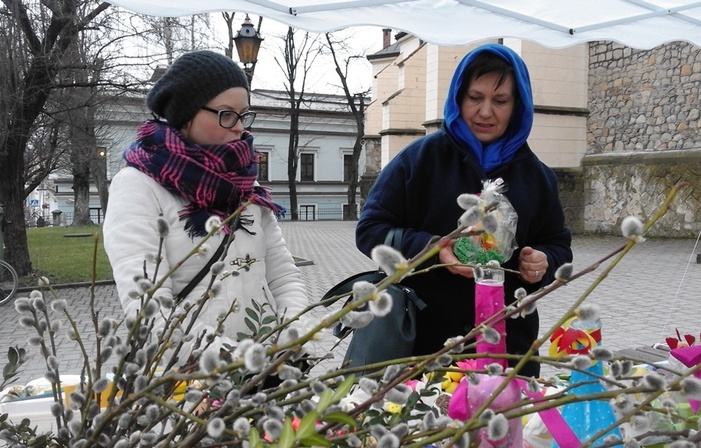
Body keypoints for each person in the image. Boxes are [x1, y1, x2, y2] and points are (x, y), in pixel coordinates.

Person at [355, 43, 573, 377]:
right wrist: (432, 248)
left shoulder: (537, 177)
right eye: (475, 98)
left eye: (500, 101)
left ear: (519, 105)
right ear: (459, 98)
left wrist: (544, 262)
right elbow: (370, 229)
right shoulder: (420, 161)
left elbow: (558, 243)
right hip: (423, 353)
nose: (486, 112)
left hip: (508, 352)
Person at [103, 50, 308, 360]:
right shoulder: (137, 186)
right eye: (226, 114)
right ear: (186, 115)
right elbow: (148, 308)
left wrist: (294, 335)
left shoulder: (245, 185)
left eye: (244, 114)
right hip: (191, 381)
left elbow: (282, 275)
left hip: (268, 370)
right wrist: (230, 362)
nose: (240, 127)